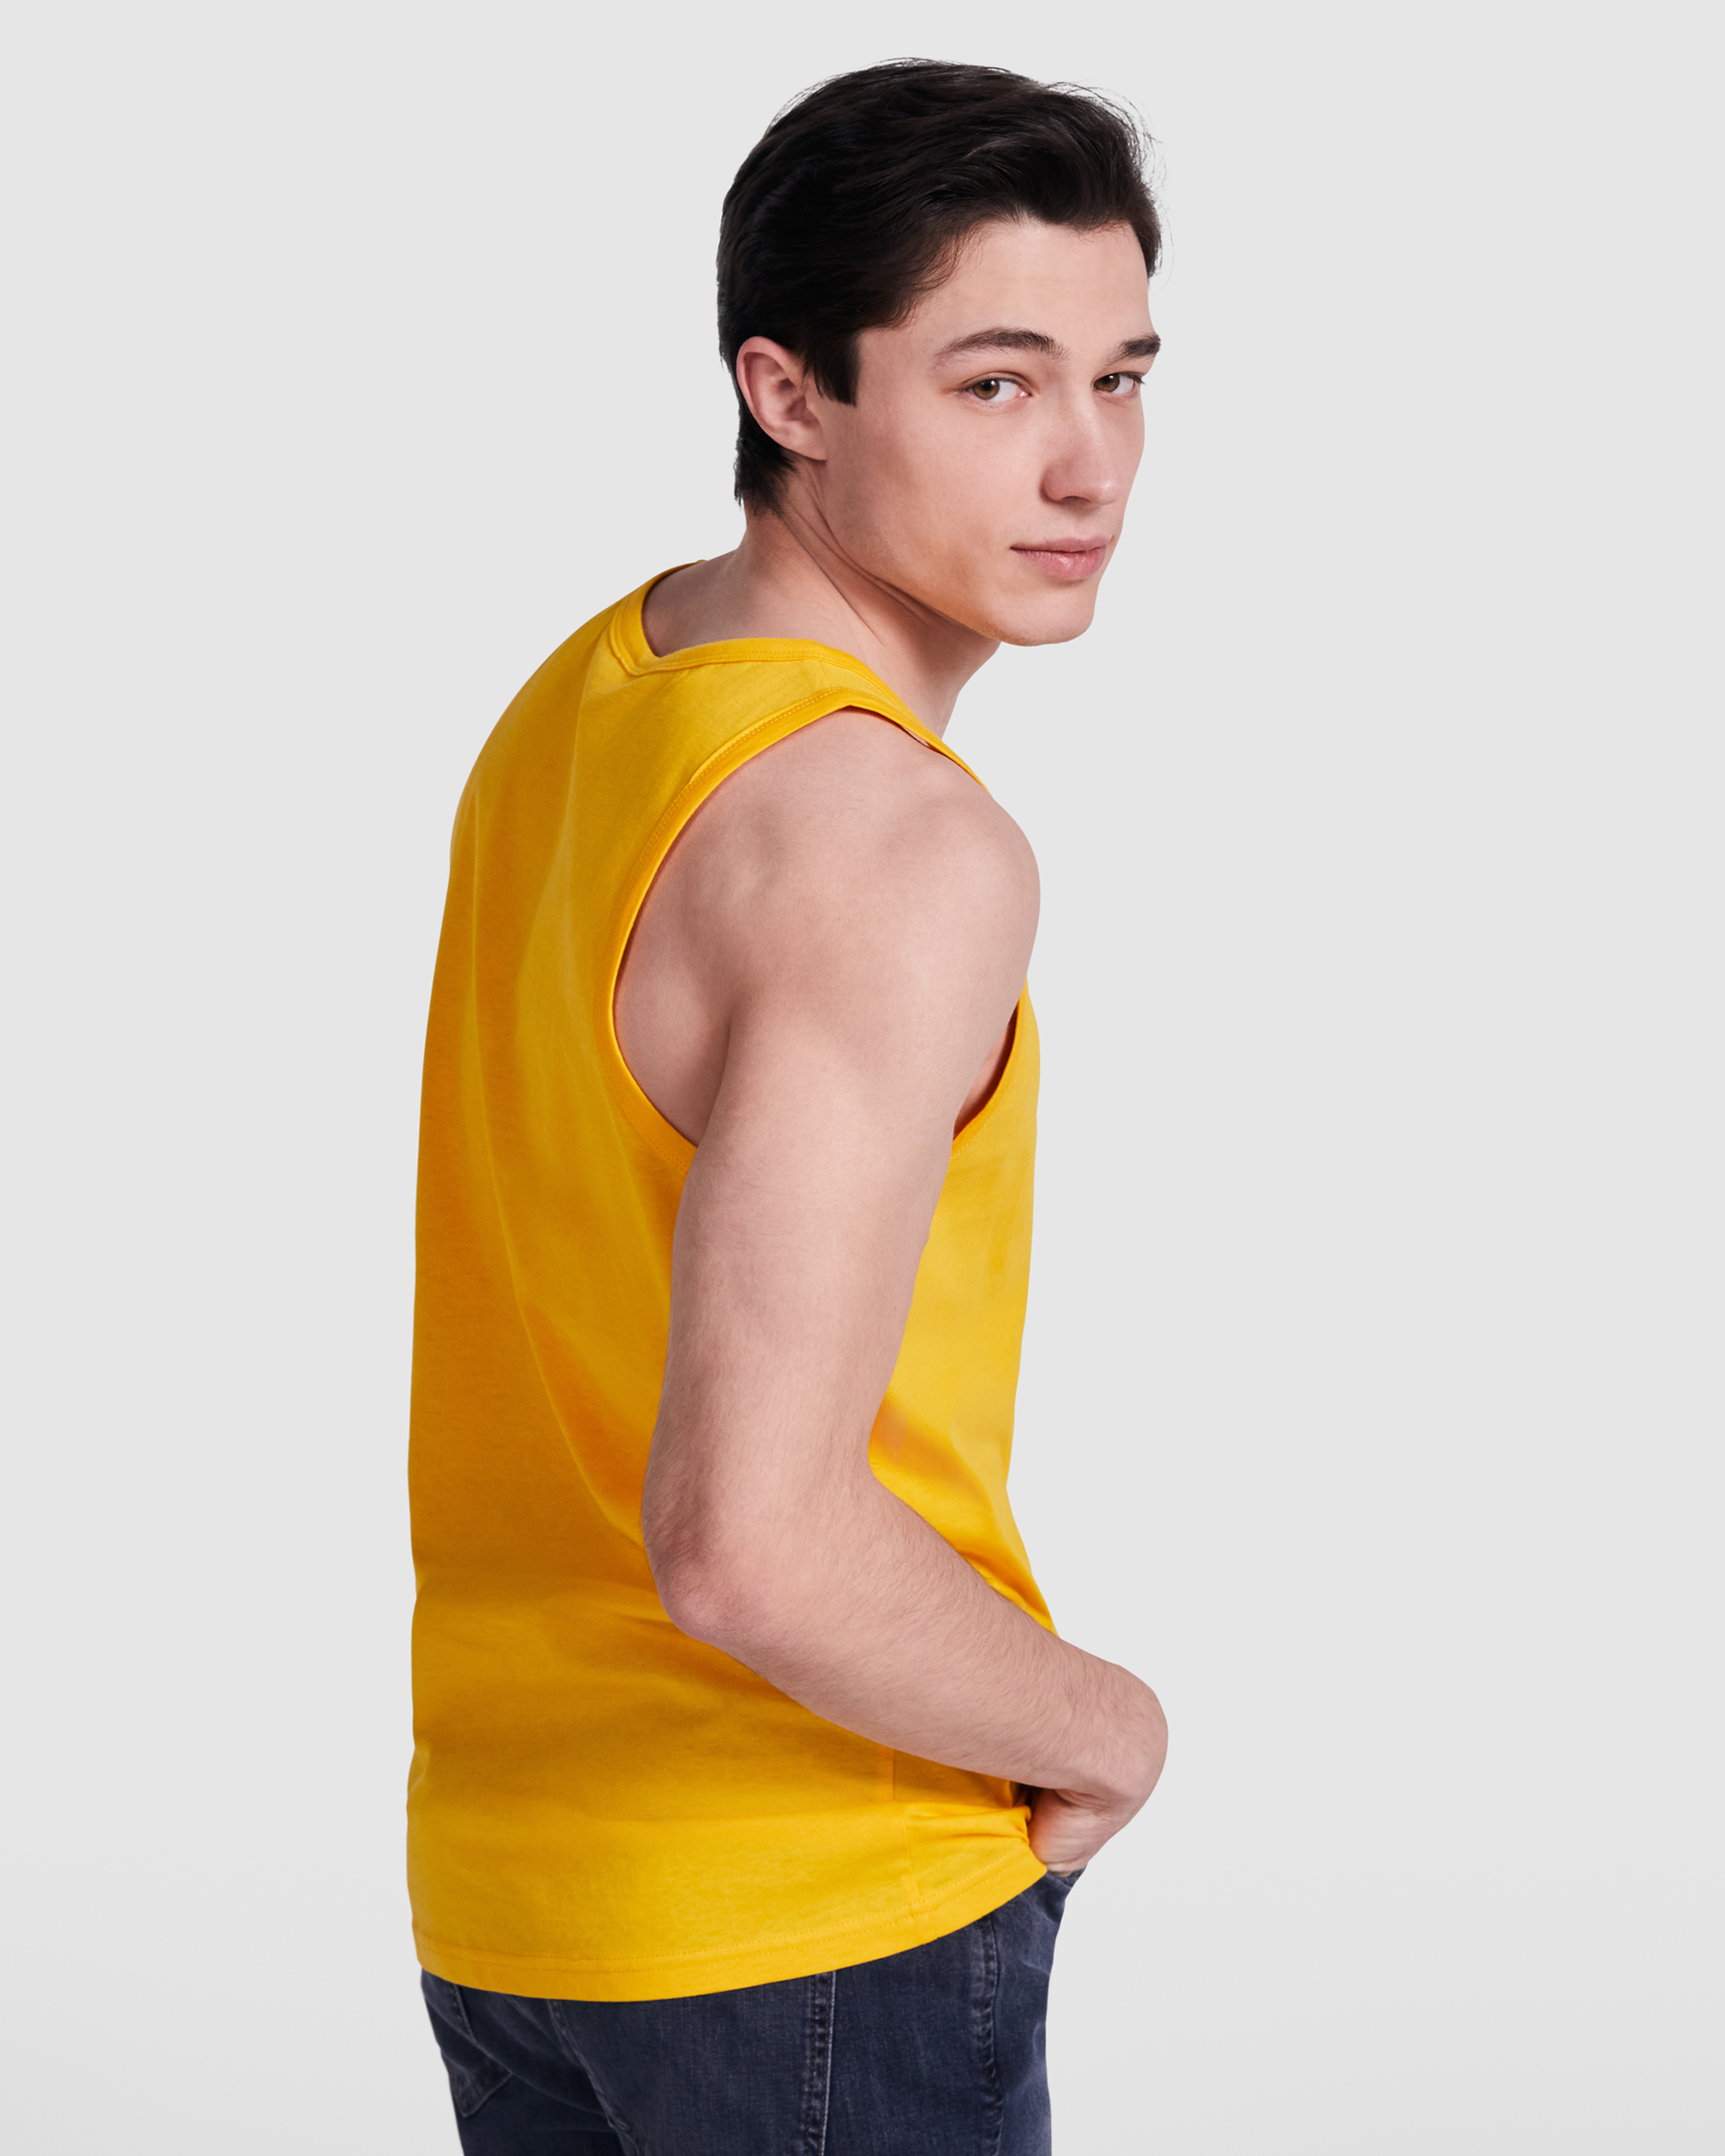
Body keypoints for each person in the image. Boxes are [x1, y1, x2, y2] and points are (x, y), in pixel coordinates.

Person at [409, 58, 1170, 2155]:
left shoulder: (595, 694)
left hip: (521, 1894)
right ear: (789, 390)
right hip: (806, 1905)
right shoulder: (893, 843)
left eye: (1121, 376)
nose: (1089, 462)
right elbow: (749, 1539)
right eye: (995, 383)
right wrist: (1107, 1722)